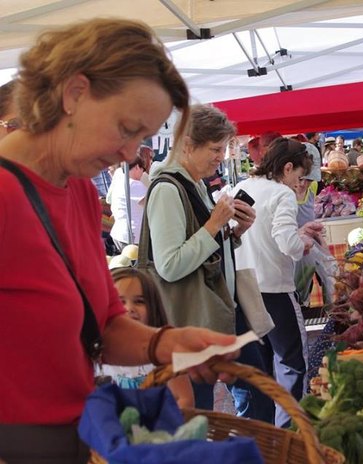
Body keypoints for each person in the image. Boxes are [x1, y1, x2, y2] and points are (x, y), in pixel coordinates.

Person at [0, 19, 239, 462]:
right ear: (74, 94)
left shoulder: (78, 195)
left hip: (83, 435)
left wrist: (171, 341)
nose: (132, 153)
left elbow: (105, 323)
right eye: (126, 129)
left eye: (143, 138)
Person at [144, 104, 273, 421]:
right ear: (187, 145)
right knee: (198, 410)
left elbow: (201, 246)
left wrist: (234, 232)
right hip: (192, 318)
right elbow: (170, 264)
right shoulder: (167, 189)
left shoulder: (195, 183)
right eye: (214, 149)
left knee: (256, 399)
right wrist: (214, 224)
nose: (220, 157)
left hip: (218, 311)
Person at [232, 138, 322, 427]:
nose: (300, 183)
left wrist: (297, 233)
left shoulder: (242, 188)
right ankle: (289, 430)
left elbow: (258, 234)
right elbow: (287, 244)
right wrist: (304, 241)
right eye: (299, 175)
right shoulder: (282, 193)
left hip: (245, 290)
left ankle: (267, 430)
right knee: (292, 364)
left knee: (262, 365)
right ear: (286, 168)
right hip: (275, 291)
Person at [102, 267, 194, 409]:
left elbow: (184, 399)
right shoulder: (95, 354)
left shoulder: (164, 352)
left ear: (153, 307)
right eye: (120, 302)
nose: (129, 308)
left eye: (139, 301)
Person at [109, 153, 149, 252]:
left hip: (119, 234)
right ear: (136, 167)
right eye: (142, 170)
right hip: (132, 236)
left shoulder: (118, 182)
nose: (142, 173)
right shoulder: (135, 185)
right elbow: (152, 204)